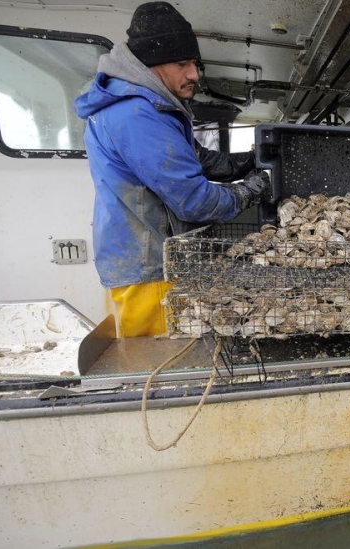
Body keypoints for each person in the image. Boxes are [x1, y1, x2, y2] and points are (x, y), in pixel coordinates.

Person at [75, 1, 270, 337]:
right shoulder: (136, 115)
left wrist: (248, 161)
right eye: (182, 64)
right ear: (151, 65)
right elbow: (195, 202)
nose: (194, 74)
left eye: (194, 63)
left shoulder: (146, 105)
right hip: (148, 269)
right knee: (157, 365)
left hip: (146, 261)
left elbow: (195, 160)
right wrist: (252, 190)